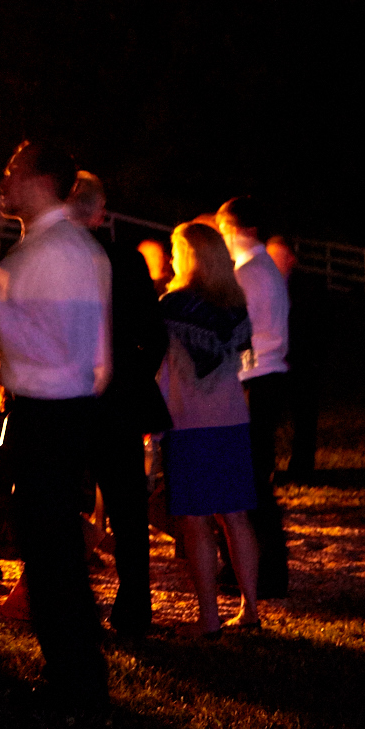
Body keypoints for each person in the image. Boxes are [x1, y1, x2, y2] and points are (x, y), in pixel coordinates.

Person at [0, 141, 111, 709]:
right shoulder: (49, 248)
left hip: (51, 411)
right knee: (49, 548)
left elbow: (53, 345)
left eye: (11, 171)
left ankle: (76, 677)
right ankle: (72, 669)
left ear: (41, 180)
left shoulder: (60, 252)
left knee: (53, 551)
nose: (3, 181)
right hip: (51, 409)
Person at [68, 172, 173, 637]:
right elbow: (154, 335)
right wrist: (130, 376)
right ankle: (133, 609)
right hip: (119, 403)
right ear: (99, 211)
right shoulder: (124, 260)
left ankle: (72, 607)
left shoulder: (56, 260)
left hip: (68, 401)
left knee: (68, 503)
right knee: (128, 511)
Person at [158, 222, 262, 634]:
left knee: (197, 520)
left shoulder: (172, 305)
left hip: (189, 420)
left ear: (190, 255)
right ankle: (251, 609)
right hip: (233, 417)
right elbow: (245, 361)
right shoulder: (236, 306)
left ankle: (208, 618)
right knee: (237, 516)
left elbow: (164, 370)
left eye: (175, 249)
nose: (170, 257)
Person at [217, 197, 290, 598]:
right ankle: (263, 569)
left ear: (237, 229)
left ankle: (267, 572)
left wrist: (231, 368)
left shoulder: (248, 272)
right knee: (255, 479)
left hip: (256, 380)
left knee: (252, 483)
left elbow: (241, 335)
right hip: (266, 376)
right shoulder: (263, 269)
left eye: (224, 229)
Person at [267, 235, 327, 481]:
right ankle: (266, 466)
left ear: (291, 258)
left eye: (277, 256)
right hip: (273, 362)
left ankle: (302, 468)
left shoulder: (308, 287)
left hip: (302, 362)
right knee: (268, 417)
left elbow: (318, 323)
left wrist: (311, 356)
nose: (272, 262)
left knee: (304, 417)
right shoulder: (265, 285)